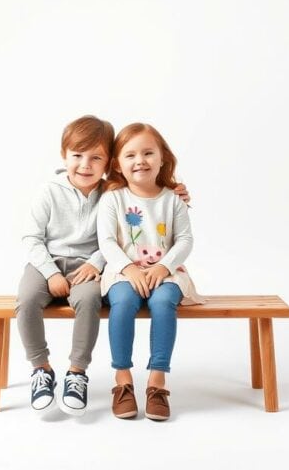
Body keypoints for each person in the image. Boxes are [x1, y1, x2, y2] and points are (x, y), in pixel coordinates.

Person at [17, 115, 189, 416]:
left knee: (89, 299)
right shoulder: (52, 191)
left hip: (91, 266)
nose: (85, 165)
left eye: (95, 158)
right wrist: (51, 272)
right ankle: (40, 369)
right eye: (77, 156)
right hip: (47, 262)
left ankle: (77, 373)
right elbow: (33, 238)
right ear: (64, 156)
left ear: (108, 162)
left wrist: (96, 264)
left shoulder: (111, 192)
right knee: (27, 299)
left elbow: (109, 240)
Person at [98, 122, 203, 421]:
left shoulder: (173, 200)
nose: (140, 160)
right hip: (123, 272)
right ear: (117, 164)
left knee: (162, 302)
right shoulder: (113, 199)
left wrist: (163, 266)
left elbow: (184, 240)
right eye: (130, 155)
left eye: (147, 153)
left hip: (166, 272)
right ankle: (123, 381)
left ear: (162, 158)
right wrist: (128, 268)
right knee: (123, 302)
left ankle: (157, 382)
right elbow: (106, 240)